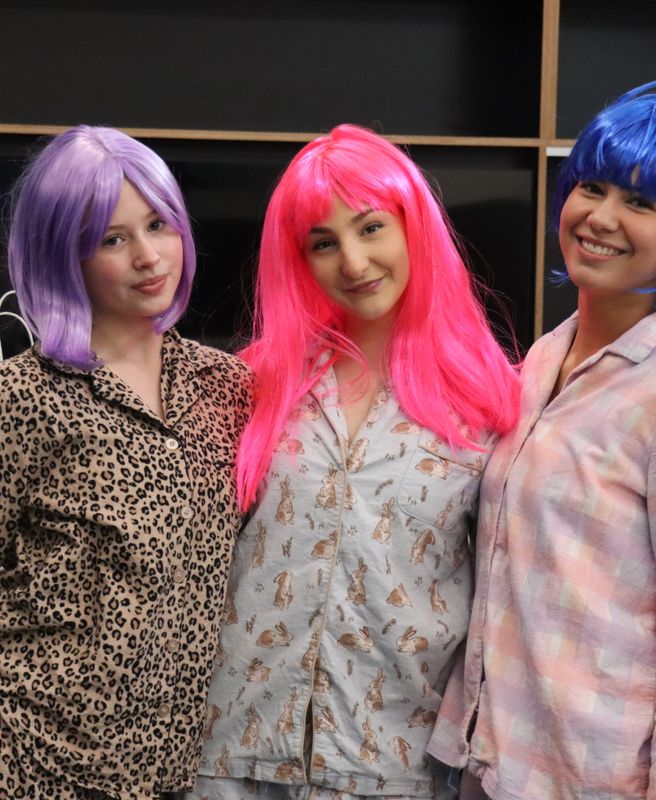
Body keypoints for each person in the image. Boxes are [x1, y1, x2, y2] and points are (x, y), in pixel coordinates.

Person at [0, 126, 253, 800]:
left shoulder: (227, 387)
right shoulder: (15, 398)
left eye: (158, 224)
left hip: (157, 772)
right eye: (112, 239)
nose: (148, 256)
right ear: (63, 255)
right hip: (11, 760)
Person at [428, 80, 656, 800]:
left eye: (641, 202)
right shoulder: (545, 356)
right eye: (592, 187)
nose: (601, 217)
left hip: (596, 775)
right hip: (496, 759)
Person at [186, 124, 521, 800]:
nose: (354, 261)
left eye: (371, 228)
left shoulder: (487, 401)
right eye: (323, 243)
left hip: (390, 761)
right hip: (233, 753)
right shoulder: (253, 385)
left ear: (412, 226)